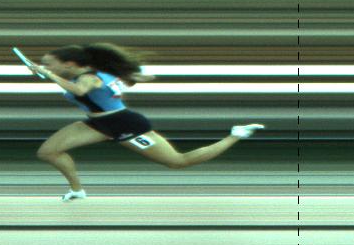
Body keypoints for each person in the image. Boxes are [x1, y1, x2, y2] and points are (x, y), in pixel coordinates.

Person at [22, 43, 266, 201]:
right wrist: (133, 76)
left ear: (69, 64)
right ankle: (77, 190)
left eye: (49, 63)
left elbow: (79, 91)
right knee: (48, 152)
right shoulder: (96, 74)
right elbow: (129, 81)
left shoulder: (90, 78)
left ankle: (236, 134)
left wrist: (49, 75)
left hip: (125, 125)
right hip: (96, 124)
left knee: (178, 162)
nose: (45, 66)